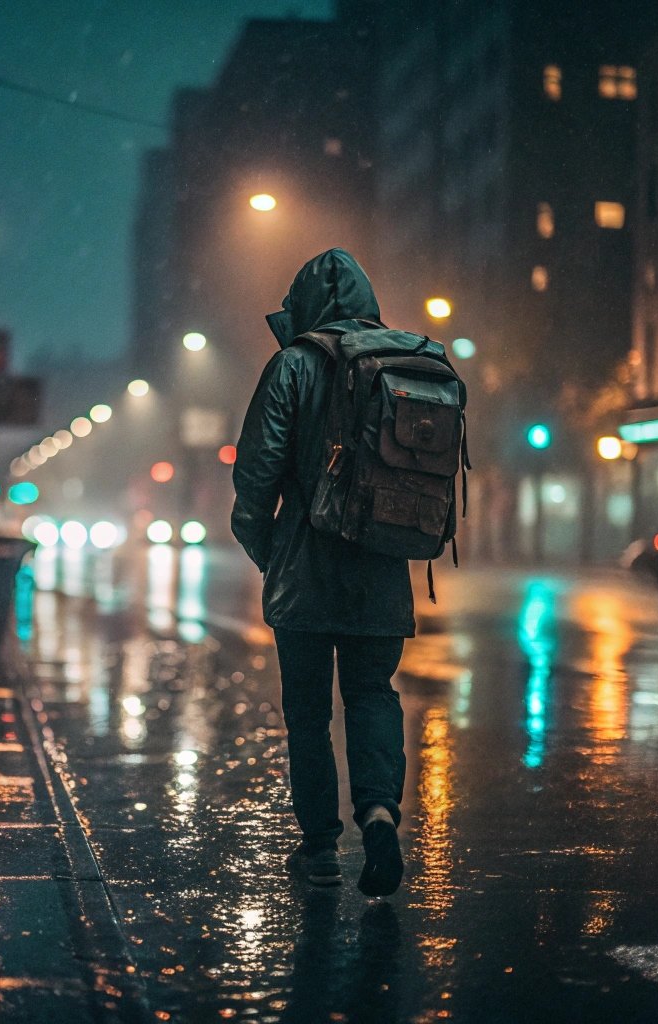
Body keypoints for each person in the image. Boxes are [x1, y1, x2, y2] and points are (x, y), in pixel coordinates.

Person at [231, 248, 412, 897]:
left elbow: (254, 482)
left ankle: (319, 849)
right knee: (372, 694)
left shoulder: (292, 366)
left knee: (308, 713)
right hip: (383, 568)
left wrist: (271, 553)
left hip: (304, 570)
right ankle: (380, 815)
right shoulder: (400, 363)